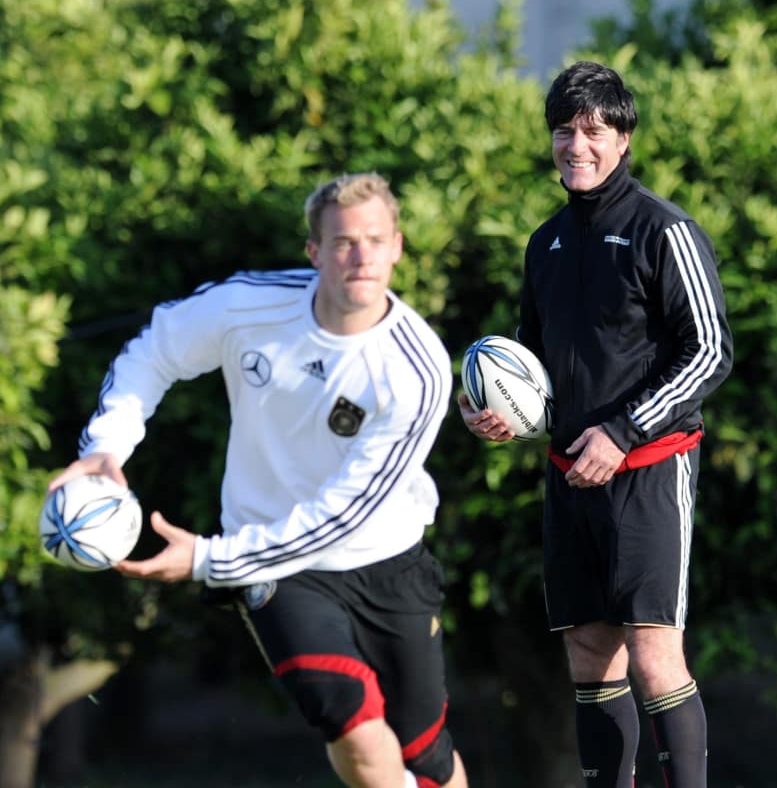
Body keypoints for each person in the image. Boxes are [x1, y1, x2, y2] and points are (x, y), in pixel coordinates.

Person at [50, 172, 468, 788]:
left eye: (375, 240)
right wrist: (108, 446)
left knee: (426, 755)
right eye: (344, 242)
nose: (361, 256)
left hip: (385, 559)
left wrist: (207, 560)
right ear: (314, 252)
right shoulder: (250, 304)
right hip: (275, 566)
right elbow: (155, 351)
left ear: (398, 247)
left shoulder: (416, 368)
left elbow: (341, 515)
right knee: (352, 727)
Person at [459, 61, 733, 788]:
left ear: (623, 138)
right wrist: (494, 415)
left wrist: (623, 431)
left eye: (594, 130)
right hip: (569, 476)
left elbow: (709, 351)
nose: (576, 145)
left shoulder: (664, 229)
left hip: (649, 468)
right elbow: (532, 366)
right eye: (563, 130)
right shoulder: (544, 242)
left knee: (653, 654)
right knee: (587, 649)